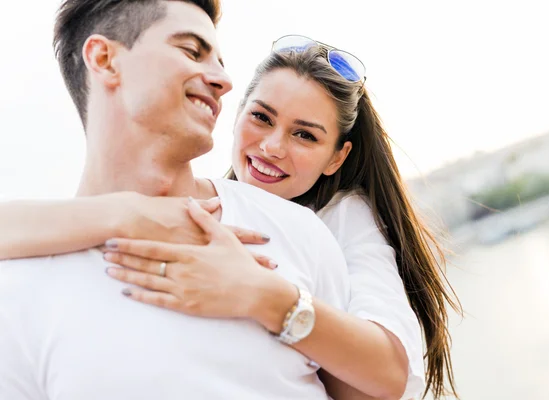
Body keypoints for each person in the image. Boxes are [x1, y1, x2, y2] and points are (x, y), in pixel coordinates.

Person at [0, 8, 460, 400]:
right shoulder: (25, 286)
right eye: (191, 50)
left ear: (337, 157)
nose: (272, 147)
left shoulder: (326, 226)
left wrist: (264, 295)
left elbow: (381, 379)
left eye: (305, 134)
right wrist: (129, 213)